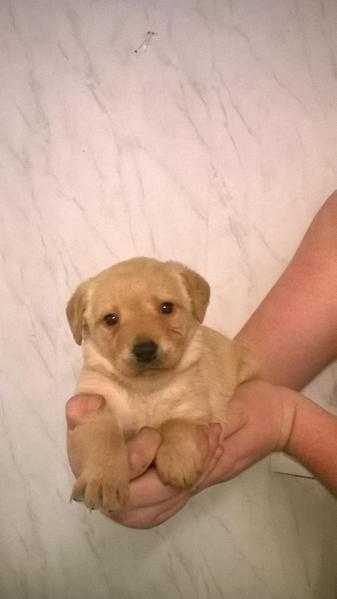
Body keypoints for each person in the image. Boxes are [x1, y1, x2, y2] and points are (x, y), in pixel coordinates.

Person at [66, 192, 337, 528]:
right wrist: (100, 453)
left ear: (196, 306)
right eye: (111, 320)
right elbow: (249, 368)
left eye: (166, 309)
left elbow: (219, 394)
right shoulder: (101, 377)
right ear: (83, 327)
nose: (144, 341)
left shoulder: (193, 357)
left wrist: (288, 421)